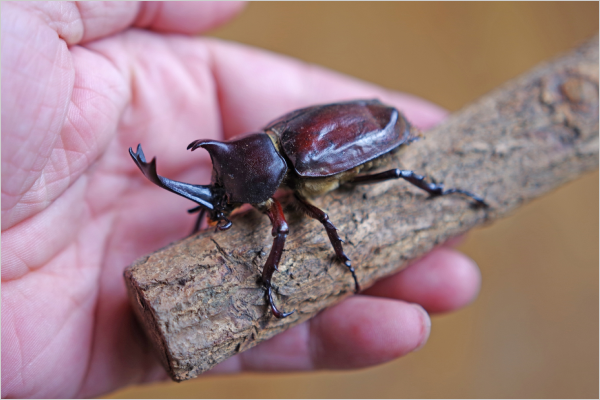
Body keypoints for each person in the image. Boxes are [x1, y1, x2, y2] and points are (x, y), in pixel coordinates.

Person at [1, 3, 482, 398]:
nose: (220, 202)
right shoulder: (265, 148)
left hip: (383, 134)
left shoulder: (298, 168)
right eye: (222, 194)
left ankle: (443, 191)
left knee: (377, 183)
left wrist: (289, 270)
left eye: (225, 197)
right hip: (351, 126)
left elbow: (294, 225)